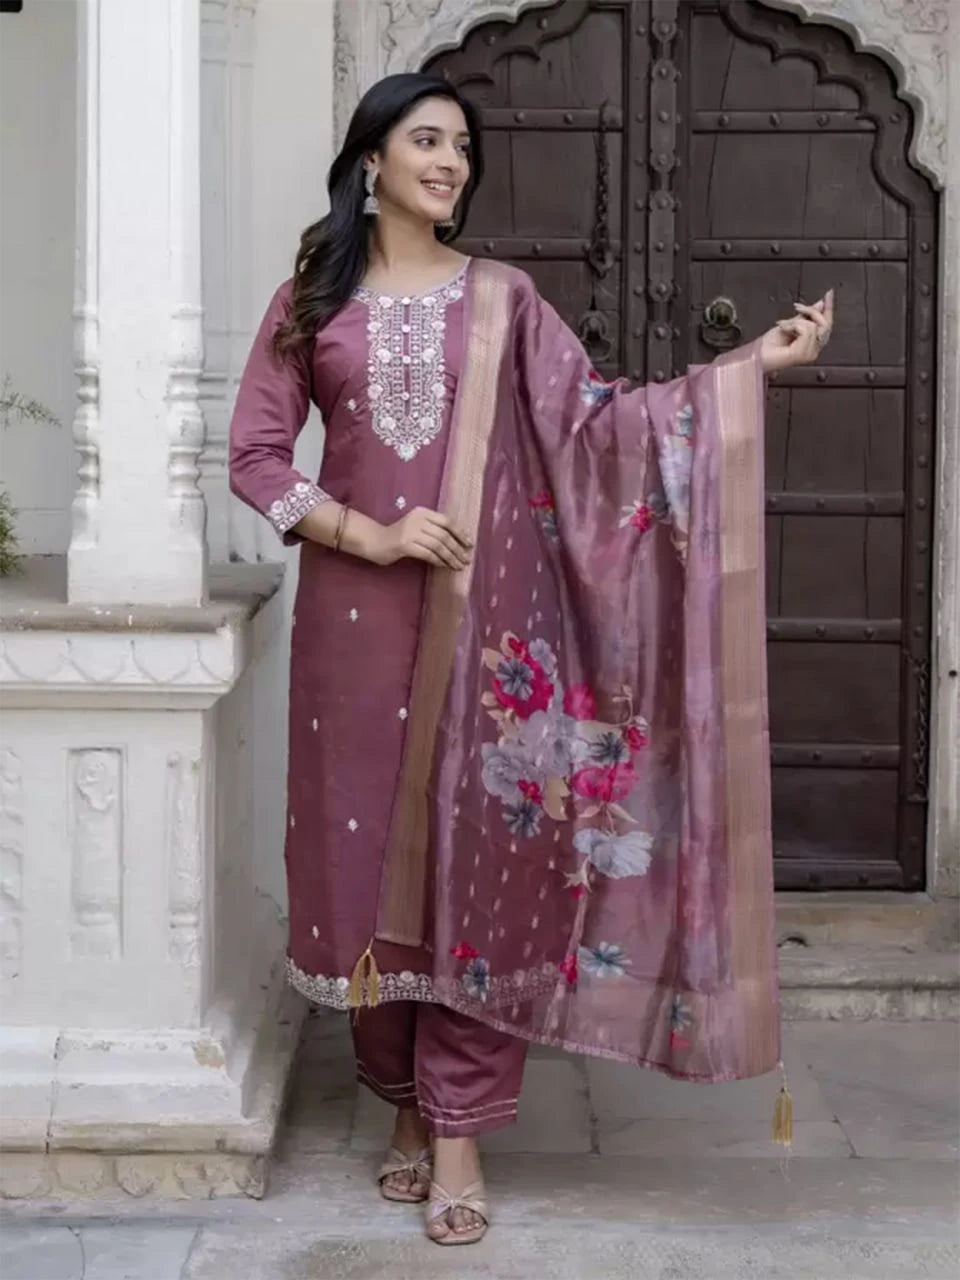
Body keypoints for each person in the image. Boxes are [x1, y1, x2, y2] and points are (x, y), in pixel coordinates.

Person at [229, 72, 834, 1246]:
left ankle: (456, 1131)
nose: (451, 161)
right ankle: (403, 1099)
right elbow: (255, 453)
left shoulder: (502, 299)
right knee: (365, 875)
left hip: (489, 637)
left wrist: (752, 365)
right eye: (427, 140)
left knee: (474, 869)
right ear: (372, 160)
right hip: (352, 632)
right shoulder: (312, 300)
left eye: (463, 145)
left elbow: (604, 422)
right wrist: (371, 529)